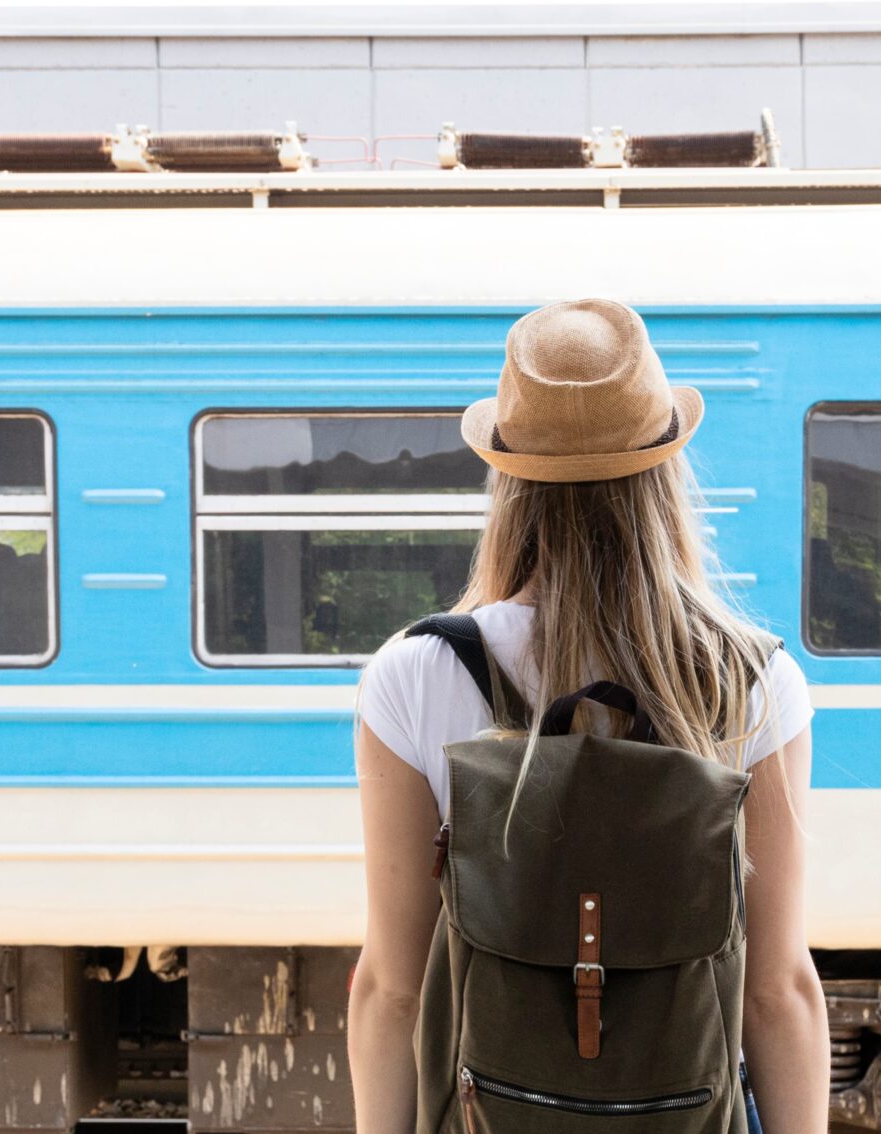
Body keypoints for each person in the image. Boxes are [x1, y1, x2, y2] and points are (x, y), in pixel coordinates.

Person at [347, 298, 829, 1132]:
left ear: (507, 484)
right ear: (664, 476)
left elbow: (392, 990)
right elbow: (778, 990)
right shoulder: (753, 679)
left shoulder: (415, 676)